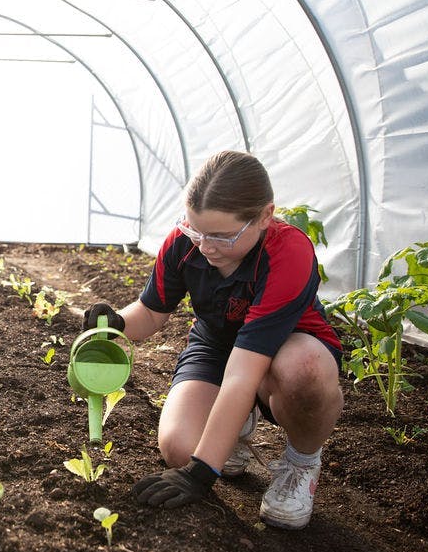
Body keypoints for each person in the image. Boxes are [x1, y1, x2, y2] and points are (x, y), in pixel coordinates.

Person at [83, 150, 343, 530]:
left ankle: (302, 463)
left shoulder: (288, 252)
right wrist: (116, 322)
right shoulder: (184, 243)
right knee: (178, 449)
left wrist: (200, 474)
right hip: (218, 344)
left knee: (304, 372)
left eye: (222, 236)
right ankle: (237, 425)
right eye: (195, 230)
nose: (205, 246)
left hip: (291, 347)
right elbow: (153, 312)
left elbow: (243, 373)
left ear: (264, 217)